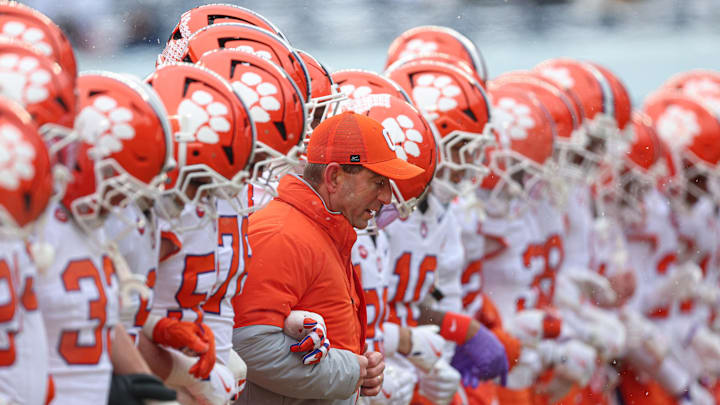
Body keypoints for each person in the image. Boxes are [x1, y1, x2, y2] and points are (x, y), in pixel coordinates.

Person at [233, 111, 424, 404]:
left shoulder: (324, 230)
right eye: (377, 182)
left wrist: (361, 371)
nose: (387, 198)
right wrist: (351, 372)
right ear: (334, 176)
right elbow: (248, 346)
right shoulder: (283, 234)